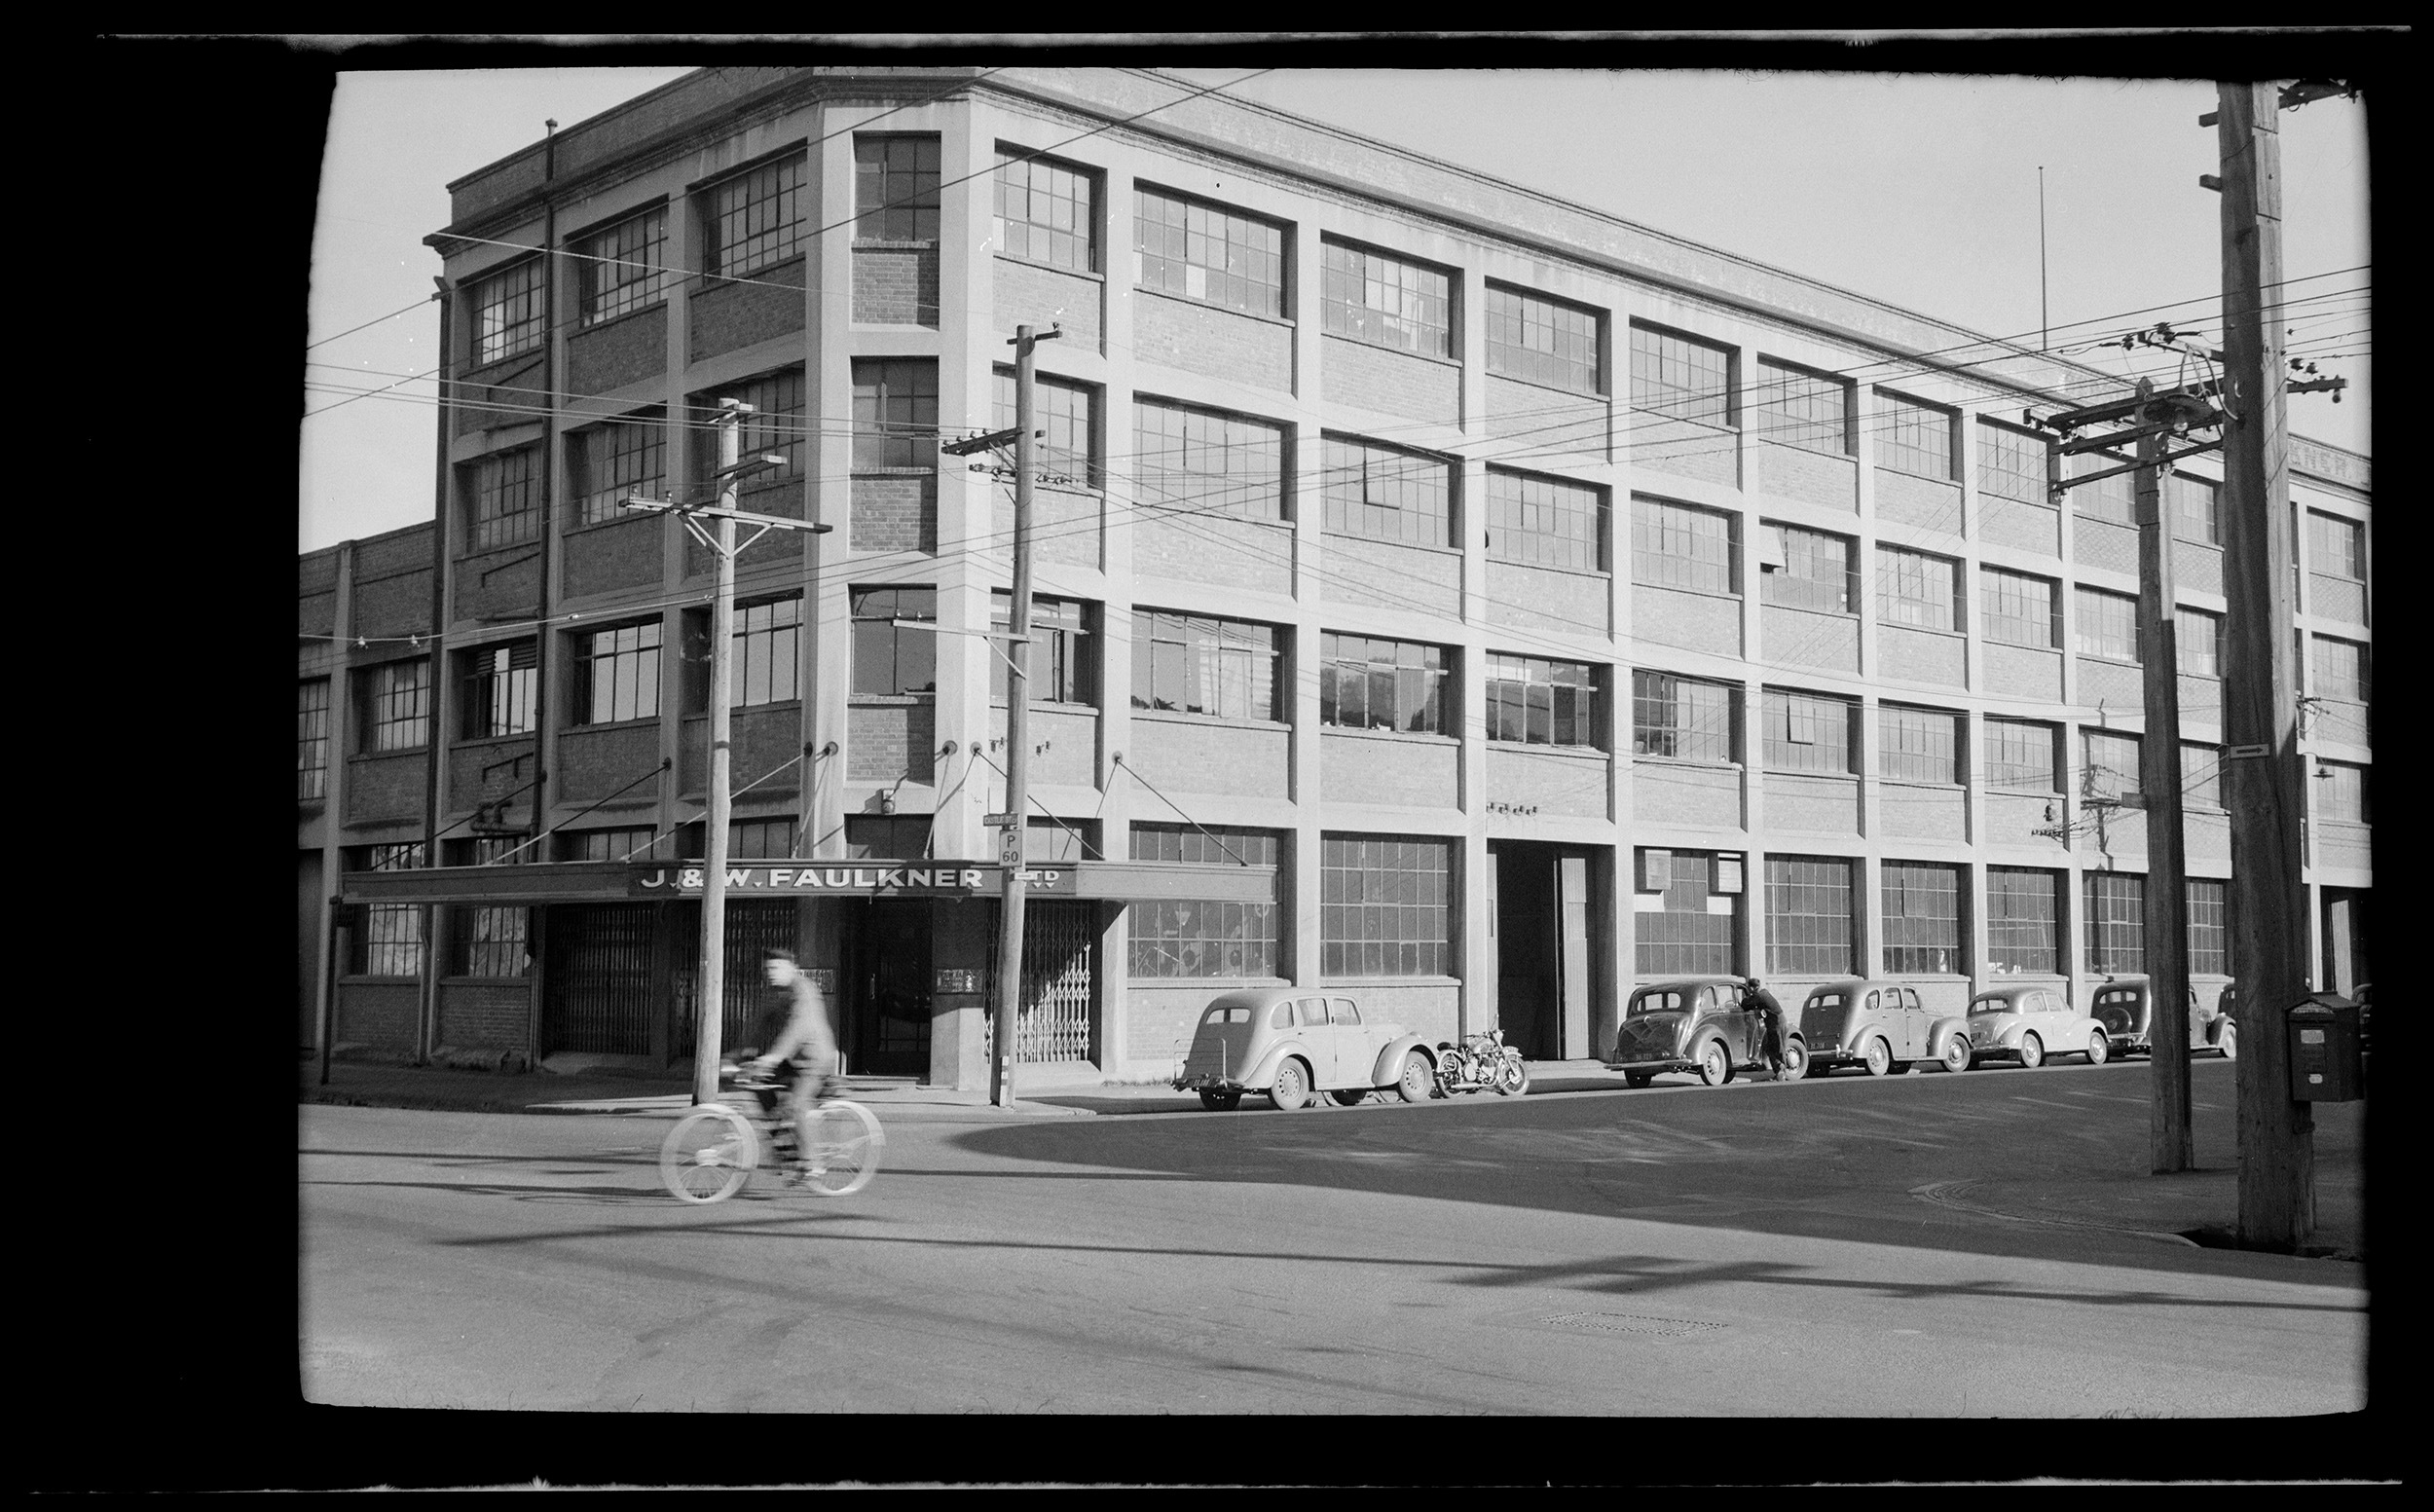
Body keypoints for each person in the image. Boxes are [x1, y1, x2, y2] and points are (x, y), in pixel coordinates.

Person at [750, 949, 840, 1175]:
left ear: (792, 968)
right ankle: (785, 1144)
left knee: (798, 1104)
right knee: (759, 1084)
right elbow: (757, 1023)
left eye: (777, 968)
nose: (771, 973)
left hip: (815, 1060)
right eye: (768, 969)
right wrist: (739, 1055)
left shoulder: (804, 990)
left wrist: (774, 1056)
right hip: (792, 1060)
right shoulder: (774, 993)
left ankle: (812, 1162)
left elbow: (797, 1029)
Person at [1741, 976, 1789, 1078]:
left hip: (1777, 1024)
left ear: (1752, 988)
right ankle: (1778, 1068)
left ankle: (1782, 1072)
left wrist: (1747, 998)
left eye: (1750, 989)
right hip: (1775, 1023)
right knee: (1768, 1047)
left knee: (1778, 1048)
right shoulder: (1764, 992)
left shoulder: (1759, 996)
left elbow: (1745, 1005)